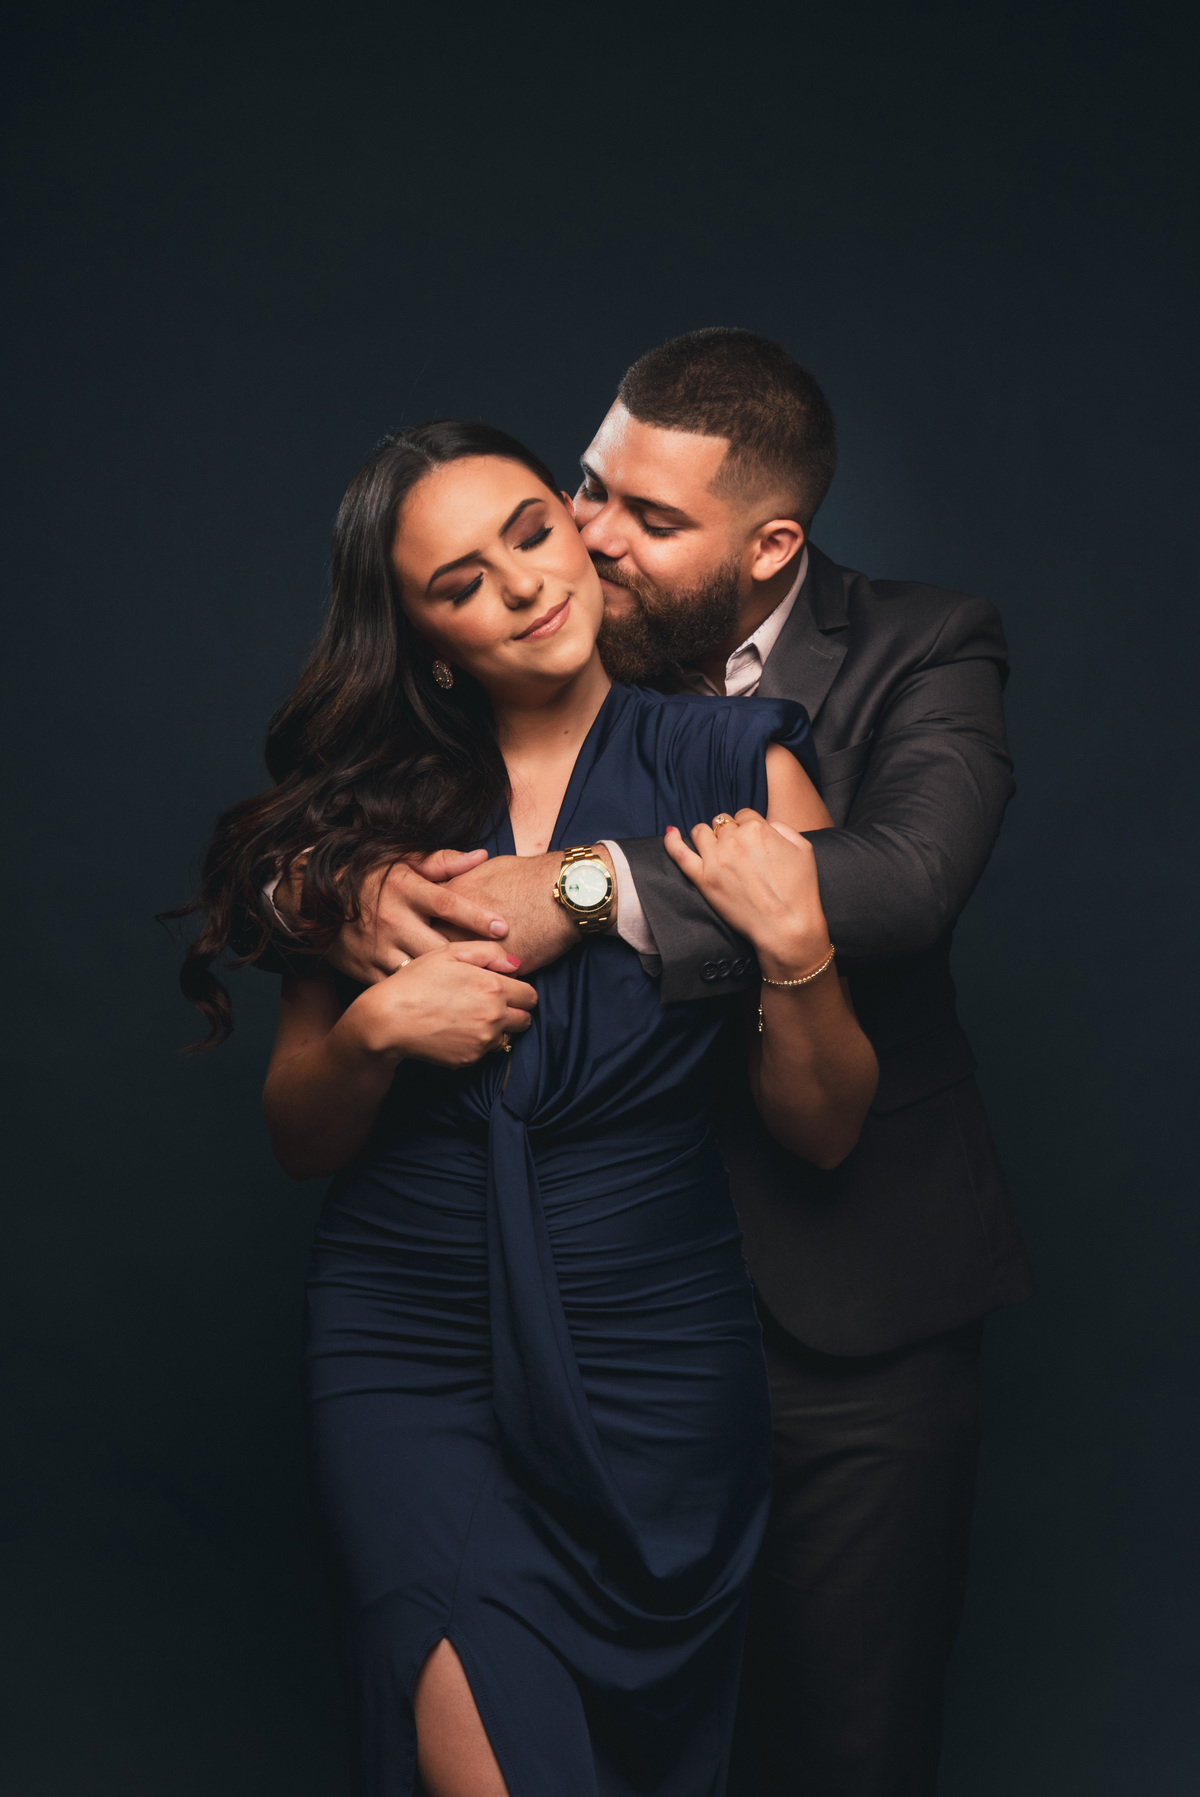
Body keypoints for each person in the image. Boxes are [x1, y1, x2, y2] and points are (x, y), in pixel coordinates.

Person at [304, 331, 1035, 1797]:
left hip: (830, 1303)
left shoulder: (917, 648)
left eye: (643, 517)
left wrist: (585, 889)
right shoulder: (548, 633)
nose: (583, 540)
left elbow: (898, 878)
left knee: (835, 1743)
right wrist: (319, 895)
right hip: (502, 1299)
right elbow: (368, 760)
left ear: (769, 549)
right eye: (586, 489)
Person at [180, 419, 878, 1797]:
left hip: (654, 1336)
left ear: (575, 524)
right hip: (410, 1330)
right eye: (460, 584)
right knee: (468, 1724)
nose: (519, 586)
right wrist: (377, 1029)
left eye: (530, 533)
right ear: (427, 640)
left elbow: (826, 1124)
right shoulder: (361, 829)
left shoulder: (740, 764)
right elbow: (300, 1136)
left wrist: (797, 950)